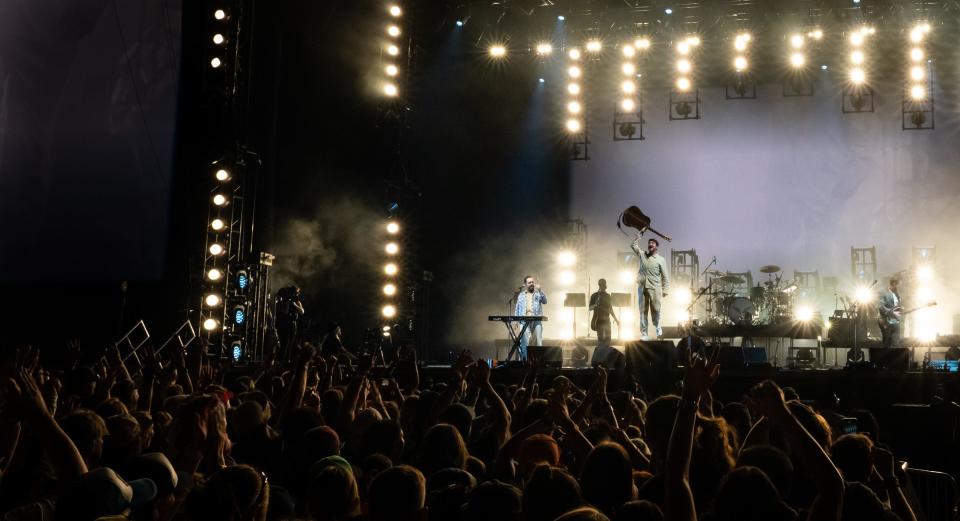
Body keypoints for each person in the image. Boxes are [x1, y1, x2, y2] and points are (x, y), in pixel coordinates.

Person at [630, 237, 670, 339]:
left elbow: (665, 276)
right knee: (643, 312)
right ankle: (644, 334)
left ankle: (657, 326)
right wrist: (640, 234)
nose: (650, 244)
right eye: (649, 243)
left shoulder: (661, 260)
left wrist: (665, 289)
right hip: (642, 287)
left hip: (655, 288)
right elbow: (633, 245)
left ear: (656, 246)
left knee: (656, 310)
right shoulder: (643, 255)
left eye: (652, 243)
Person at [514, 275, 547, 360]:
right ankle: (524, 362)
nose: (532, 284)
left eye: (532, 282)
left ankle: (539, 361)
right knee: (525, 342)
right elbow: (517, 308)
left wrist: (540, 291)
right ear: (525, 284)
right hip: (524, 321)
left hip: (536, 320)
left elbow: (545, 301)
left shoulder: (537, 293)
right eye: (529, 283)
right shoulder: (521, 295)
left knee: (538, 342)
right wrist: (516, 321)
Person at [590, 279, 620, 357]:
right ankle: (600, 358)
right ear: (600, 285)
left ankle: (606, 357)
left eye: (604, 284)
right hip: (598, 320)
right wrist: (596, 304)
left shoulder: (607, 296)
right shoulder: (594, 295)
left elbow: (610, 309)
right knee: (600, 340)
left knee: (608, 339)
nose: (604, 286)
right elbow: (590, 308)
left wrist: (616, 319)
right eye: (603, 284)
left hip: (606, 319)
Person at [276, 285, 305, 361]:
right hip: (285, 324)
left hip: (293, 324)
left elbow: (302, 312)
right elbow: (284, 312)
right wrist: (287, 303)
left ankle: (288, 360)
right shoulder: (286, 301)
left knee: (291, 344)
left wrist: (294, 305)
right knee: (285, 343)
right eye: (296, 293)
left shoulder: (297, 302)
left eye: (298, 293)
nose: (297, 294)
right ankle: (282, 360)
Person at [877, 275, 902, 349]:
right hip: (885, 320)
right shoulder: (883, 292)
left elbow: (897, 307)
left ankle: (895, 357)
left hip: (895, 321)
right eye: (898, 284)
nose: (899, 287)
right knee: (887, 342)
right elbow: (880, 306)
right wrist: (890, 312)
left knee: (895, 343)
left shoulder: (898, 295)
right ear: (894, 283)